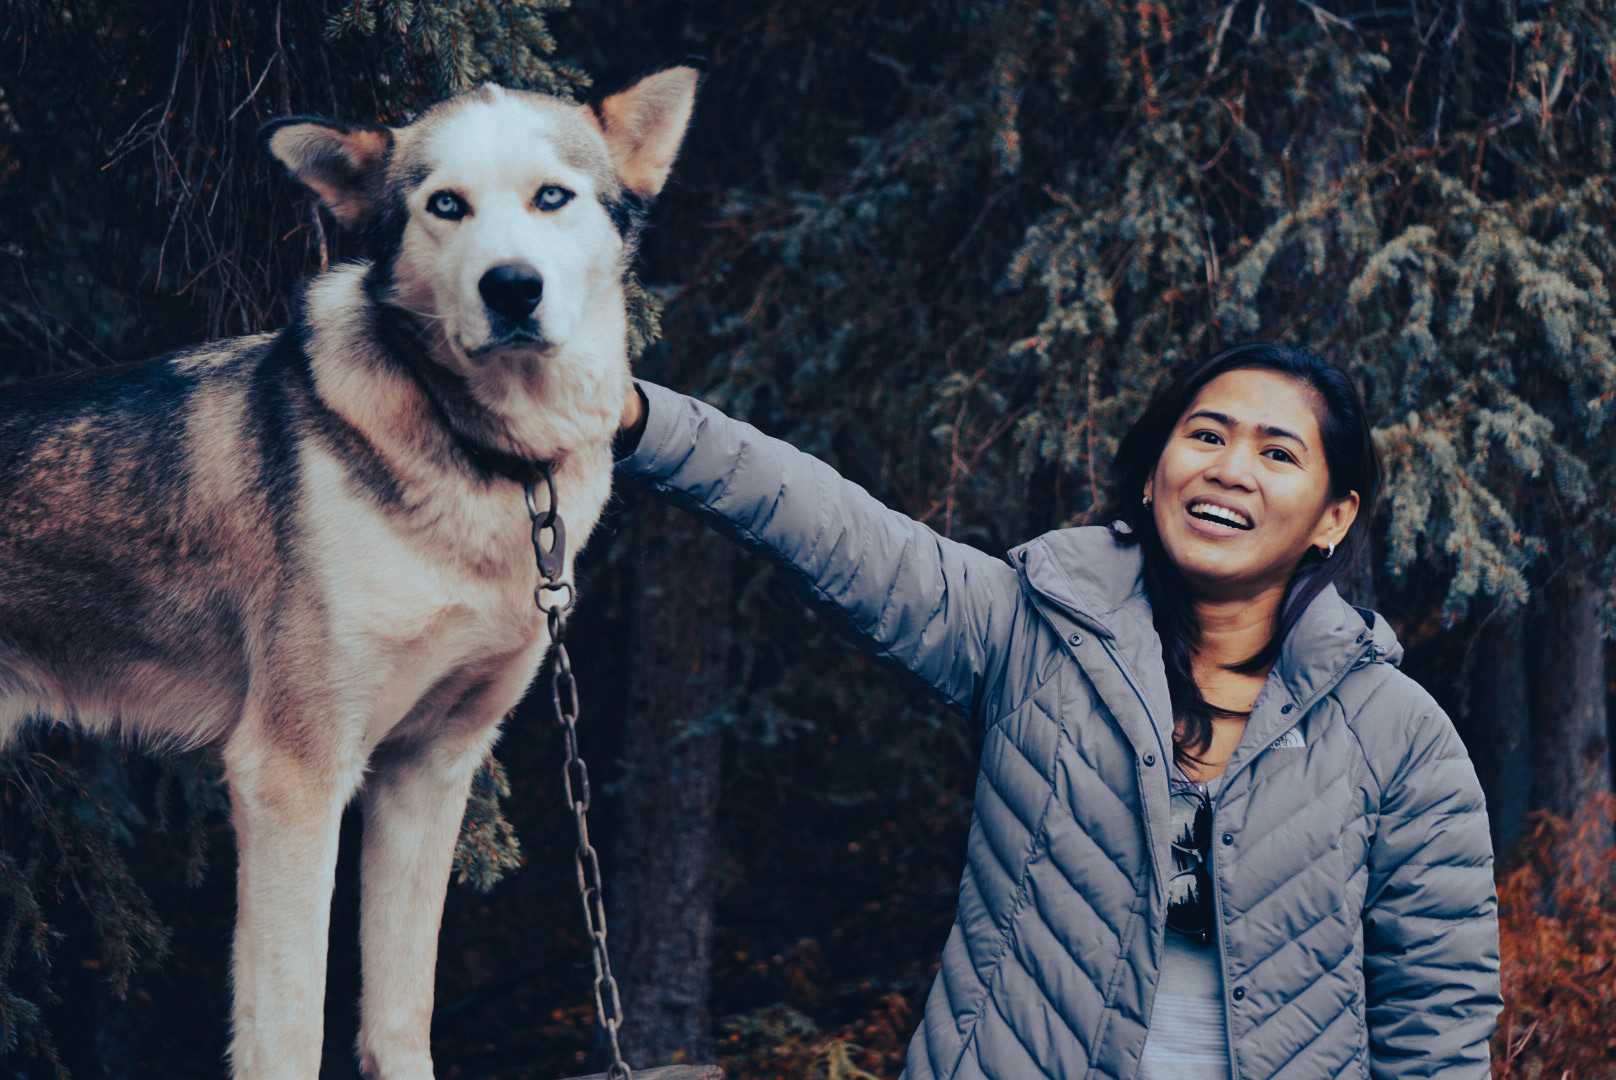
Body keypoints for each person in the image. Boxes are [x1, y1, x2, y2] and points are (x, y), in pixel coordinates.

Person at [612, 342, 1501, 1079]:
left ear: (1333, 518)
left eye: (1278, 453)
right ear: (1153, 475)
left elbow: (1438, 1019)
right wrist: (640, 418)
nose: (1230, 469)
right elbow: (834, 529)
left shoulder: (1400, 736)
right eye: (1206, 435)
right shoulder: (1028, 632)